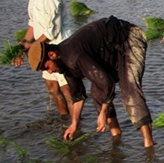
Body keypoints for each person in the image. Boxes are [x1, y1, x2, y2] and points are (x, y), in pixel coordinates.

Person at [27, 16, 154, 149]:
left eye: (47, 67)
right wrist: (74, 124)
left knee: (129, 90)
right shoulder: (64, 65)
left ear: (52, 55)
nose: (50, 72)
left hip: (128, 38)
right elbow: (78, 97)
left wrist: (103, 112)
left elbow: (107, 82)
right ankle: (116, 134)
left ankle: (149, 146)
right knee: (97, 93)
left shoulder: (74, 57)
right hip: (110, 49)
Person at [15, 0, 72, 117]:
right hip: (44, 48)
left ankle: (75, 125)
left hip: (59, 47)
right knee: (51, 87)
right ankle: (65, 119)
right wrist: (24, 43)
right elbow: (34, 23)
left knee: (67, 89)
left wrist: (31, 47)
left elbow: (51, 31)